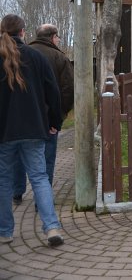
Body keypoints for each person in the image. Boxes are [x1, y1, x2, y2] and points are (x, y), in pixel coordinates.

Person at [0, 14, 64, 246]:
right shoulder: (36, 57)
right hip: (35, 128)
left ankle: (5, 232)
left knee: (3, 181)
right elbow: (53, 92)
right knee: (39, 178)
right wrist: (54, 121)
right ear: (23, 32)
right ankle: (52, 228)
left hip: (4, 132)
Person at [13, 24, 73, 205]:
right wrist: (60, 116)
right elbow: (67, 90)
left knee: (18, 156)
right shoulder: (58, 57)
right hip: (47, 119)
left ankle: (17, 192)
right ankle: (42, 201)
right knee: (46, 160)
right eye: (58, 37)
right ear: (53, 37)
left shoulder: (20, 53)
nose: (59, 40)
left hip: (20, 118)